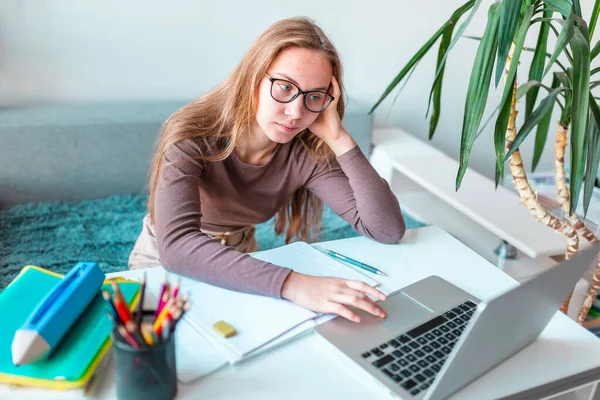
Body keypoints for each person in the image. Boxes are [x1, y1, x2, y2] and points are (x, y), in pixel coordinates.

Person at [128, 16, 406, 323]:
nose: (295, 112)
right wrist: (294, 284)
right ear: (254, 77)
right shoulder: (191, 136)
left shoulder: (306, 153)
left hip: (242, 253)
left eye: (314, 96)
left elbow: (387, 229)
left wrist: (340, 140)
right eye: (285, 87)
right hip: (159, 255)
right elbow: (176, 247)